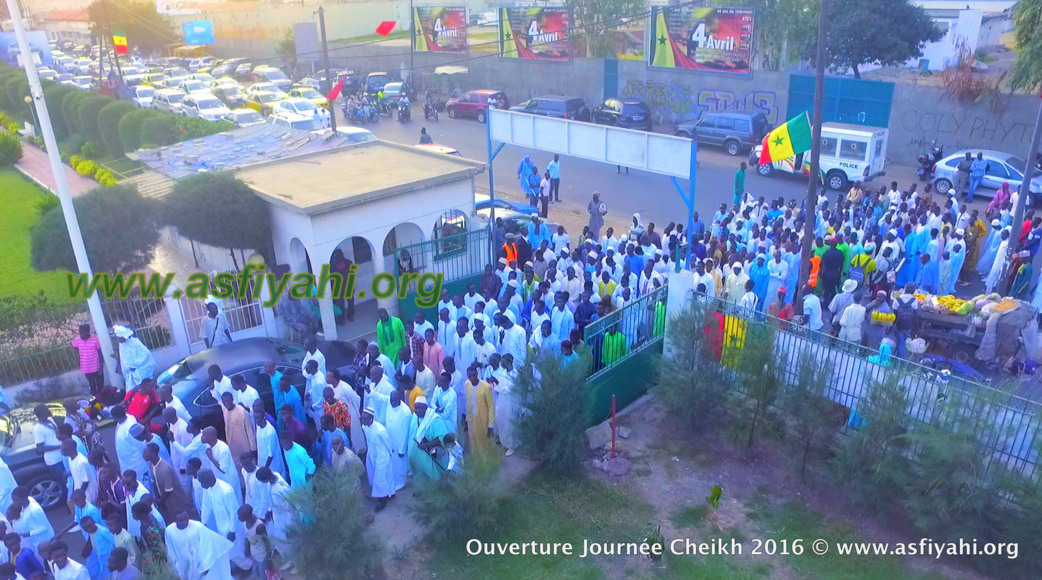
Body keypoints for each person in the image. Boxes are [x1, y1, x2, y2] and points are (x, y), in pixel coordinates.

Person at [164, 510, 234, 580]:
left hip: (201, 565)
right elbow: (171, 551)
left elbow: (207, 546)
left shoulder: (198, 527)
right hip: (185, 567)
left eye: (186, 519)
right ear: (175, 521)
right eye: (181, 520)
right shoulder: (169, 531)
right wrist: (176, 569)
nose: (185, 522)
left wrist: (205, 566)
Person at [144, 443, 193, 523]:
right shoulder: (151, 465)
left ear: (152, 454)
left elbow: (168, 490)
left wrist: (160, 501)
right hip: (165, 499)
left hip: (174, 499)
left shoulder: (164, 469)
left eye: (145, 452)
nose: (143, 455)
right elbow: (154, 483)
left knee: (180, 519)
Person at [360, 408, 395, 511]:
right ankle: (390, 493)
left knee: (379, 478)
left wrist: (389, 454)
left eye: (366, 419)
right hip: (372, 454)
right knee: (380, 475)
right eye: (363, 419)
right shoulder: (366, 427)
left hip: (382, 455)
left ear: (372, 418)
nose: (364, 421)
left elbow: (388, 442)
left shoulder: (380, 430)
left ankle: (382, 500)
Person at [200, 427, 241, 505]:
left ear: (211, 437)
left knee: (233, 504)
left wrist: (210, 457)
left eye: (203, 435)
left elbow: (223, 469)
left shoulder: (223, 448)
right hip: (220, 481)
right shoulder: (209, 446)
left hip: (228, 480)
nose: (201, 437)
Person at [31, 405, 64, 501]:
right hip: (55, 461)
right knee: (64, 483)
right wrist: (59, 446)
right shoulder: (38, 429)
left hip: (62, 456)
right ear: (41, 413)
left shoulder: (50, 420)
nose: (49, 411)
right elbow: (40, 449)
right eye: (46, 410)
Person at [383, 392, 413, 492]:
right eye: (391, 400)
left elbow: (405, 432)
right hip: (390, 441)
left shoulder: (406, 412)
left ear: (400, 399)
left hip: (400, 443)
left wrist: (402, 449)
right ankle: (395, 481)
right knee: (392, 463)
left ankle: (401, 482)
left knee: (400, 464)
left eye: (394, 400)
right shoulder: (389, 404)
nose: (392, 403)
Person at [464, 364, 495, 456]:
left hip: (482, 420)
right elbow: (468, 402)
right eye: (469, 376)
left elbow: (491, 406)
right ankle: (477, 464)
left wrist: (491, 425)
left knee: (483, 443)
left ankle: (487, 465)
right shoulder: (467, 384)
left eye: (473, 375)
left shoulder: (486, 387)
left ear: (477, 373)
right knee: (473, 441)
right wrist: (467, 419)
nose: (472, 378)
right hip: (471, 420)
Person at [112, 326, 155, 390]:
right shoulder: (121, 345)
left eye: (119, 338)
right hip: (130, 374)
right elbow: (124, 358)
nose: (118, 340)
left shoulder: (135, 342)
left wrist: (135, 364)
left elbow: (146, 355)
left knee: (143, 389)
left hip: (140, 372)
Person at [238, 505, 273, 580]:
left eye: (240, 516)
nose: (239, 518)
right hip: (254, 552)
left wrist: (269, 561)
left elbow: (267, 542)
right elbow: (247, 536)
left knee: (264, 576)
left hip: (262, 555)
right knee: (256, 571)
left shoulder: (259, 527)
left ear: (247, 516)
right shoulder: (245, 523)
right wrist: (247, 548)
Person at [79, 515, 115, 580]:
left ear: (94, 522)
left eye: (90, 526)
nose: (89, 529)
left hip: (108, 556)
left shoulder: (103, 531)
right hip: (100, 557)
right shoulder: (91, 532)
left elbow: (114, 541)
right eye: (86, 528)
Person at [71, 325, 103, 395]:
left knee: (100, 384)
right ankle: (94, 400)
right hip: (86, 367)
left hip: (96, 366)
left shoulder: (95, 339)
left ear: (88, 332)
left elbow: (99, 352)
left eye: (84, 333)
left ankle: (102, 399)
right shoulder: (76, 340)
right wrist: (78, 353)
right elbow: (72, 345)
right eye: (81, 333)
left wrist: (101, 366)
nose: (82, 335)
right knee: (92, 385)